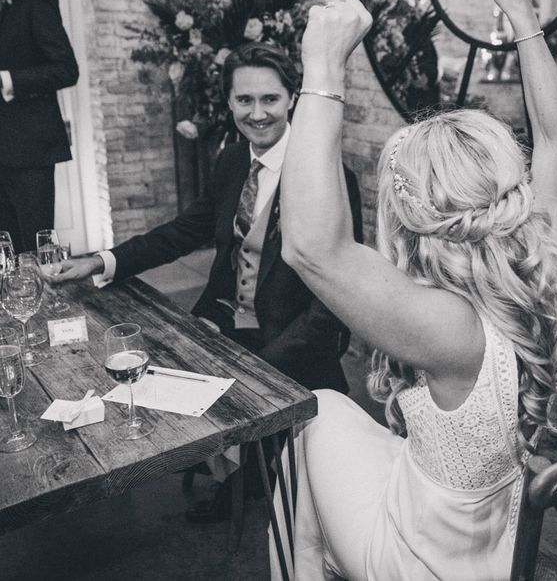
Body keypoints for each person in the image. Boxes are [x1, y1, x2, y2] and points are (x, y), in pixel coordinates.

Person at [269, 0, 557, 580]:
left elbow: (311, 246)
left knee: (313, 415)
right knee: (324, 412)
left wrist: (323, 69)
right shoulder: (547, 261)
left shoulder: (454, 331)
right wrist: (523, 17)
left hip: (424, 560)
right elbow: (552, 141)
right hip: (490, 532)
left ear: (413, 216)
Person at [51, 42, 363, 518]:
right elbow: (184, 231)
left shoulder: (328, 175)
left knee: (227, 394)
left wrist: (257, 366)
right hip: (225, 316)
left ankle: (249, 477)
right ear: (230, 102)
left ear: (292, 99)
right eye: (244, 100)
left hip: (293, 336)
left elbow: (332, 302)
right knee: (152, 374)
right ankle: (231, 469)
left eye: (270, 100)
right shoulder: (233, 161)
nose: (257, 114)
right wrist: (100, 262)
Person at [0, 0, 79, 252]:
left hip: (27, 148)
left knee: (32, 247)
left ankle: (39, 305)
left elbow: (65, 68)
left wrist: (7, 79)